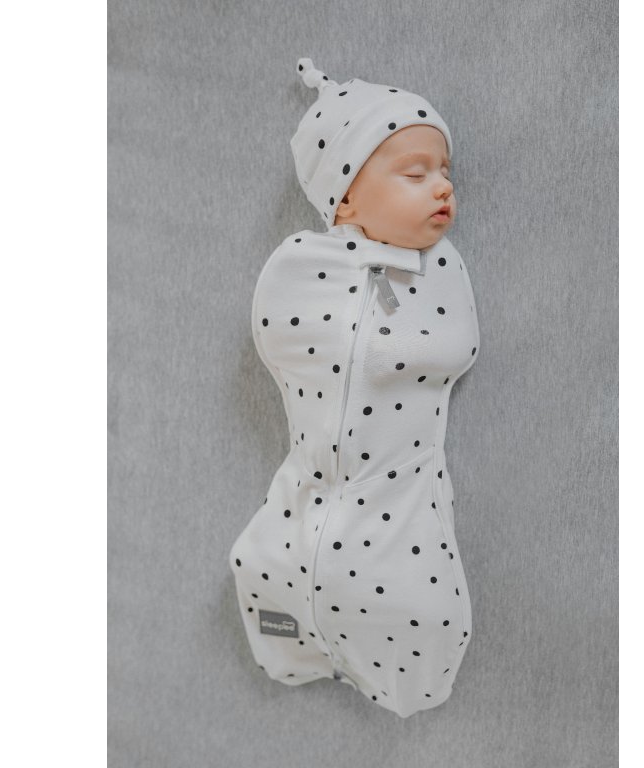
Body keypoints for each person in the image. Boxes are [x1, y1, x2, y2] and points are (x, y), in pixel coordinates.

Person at [228, 57, 480, 718]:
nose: (443, 187)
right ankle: (295, 640)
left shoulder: (436, 271)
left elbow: (444, 349)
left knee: (417, 598)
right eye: (415, 174)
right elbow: (288, 346)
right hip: (308, 487)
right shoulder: (302, 264)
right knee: (269, 559)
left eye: (446, 172)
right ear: (345, 199)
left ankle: (395, 668)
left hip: (400, 501)